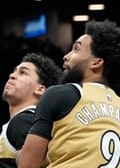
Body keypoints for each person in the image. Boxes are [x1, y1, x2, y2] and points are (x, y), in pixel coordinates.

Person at [18, 18, 120, 168]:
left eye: (76, 49)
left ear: (96, 62)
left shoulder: (60, 95)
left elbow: (27, 165)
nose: (66, 56)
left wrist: (20, 154)